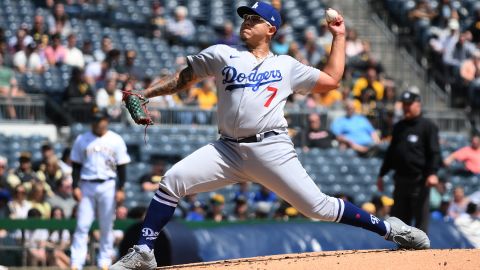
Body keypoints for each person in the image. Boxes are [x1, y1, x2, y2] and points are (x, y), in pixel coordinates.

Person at [111, 3, 429, 270]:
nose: (246, 22)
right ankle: (144, 251)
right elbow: (184, 78)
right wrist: (146, 94)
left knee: (318, 208)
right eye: (245, 18)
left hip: (271, 147)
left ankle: (391, 230)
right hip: (227, 150)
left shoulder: (286, 66)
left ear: (271, 30)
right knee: (173, 179)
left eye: (254, 19)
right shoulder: (222, 53)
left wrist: (340, 37)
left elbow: (332, 79)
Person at [69, 112, 131, 270]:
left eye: (101, 120)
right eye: (96, 120)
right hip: (87, 184)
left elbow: (122, 166)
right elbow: (76, 165)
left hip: (108, 185)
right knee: (82, 225)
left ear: (107, 121)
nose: (98, 123)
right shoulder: (82, 139)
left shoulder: (115, 139)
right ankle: (77, 262)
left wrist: (121, 188)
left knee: (106, 225)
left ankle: (104, 260)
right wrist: (75, 186)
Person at [377, 87, 441, 233]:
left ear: (418, 104)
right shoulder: (399, 127)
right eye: (404, 104)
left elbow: (435, 152)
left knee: (420, 222)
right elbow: (391, 153)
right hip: (400, 181)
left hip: (419, 181)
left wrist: (433, 173)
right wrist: (382, 174)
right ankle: (403, 253)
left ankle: (420, 254)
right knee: (400, 221)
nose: (406, 107)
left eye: (409, 104)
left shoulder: (427, 126)